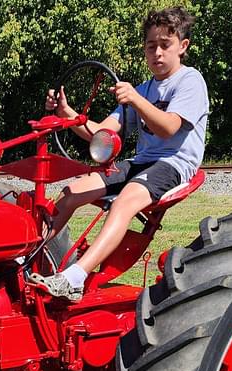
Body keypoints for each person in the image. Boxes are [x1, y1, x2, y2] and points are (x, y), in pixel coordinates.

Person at [30, 6, 209, 301]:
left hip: (173, 164)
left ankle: (74, 277)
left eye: (166, 45)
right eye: (152, 46)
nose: (158, 53)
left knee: (124, 202)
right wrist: (68, 113)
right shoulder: (142, 89)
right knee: (71, 192)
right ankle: (27, 260)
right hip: (140, 163)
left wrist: (136, 101)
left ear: (183, 47)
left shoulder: (190, 81)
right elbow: (102, 135)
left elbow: (168, 127)